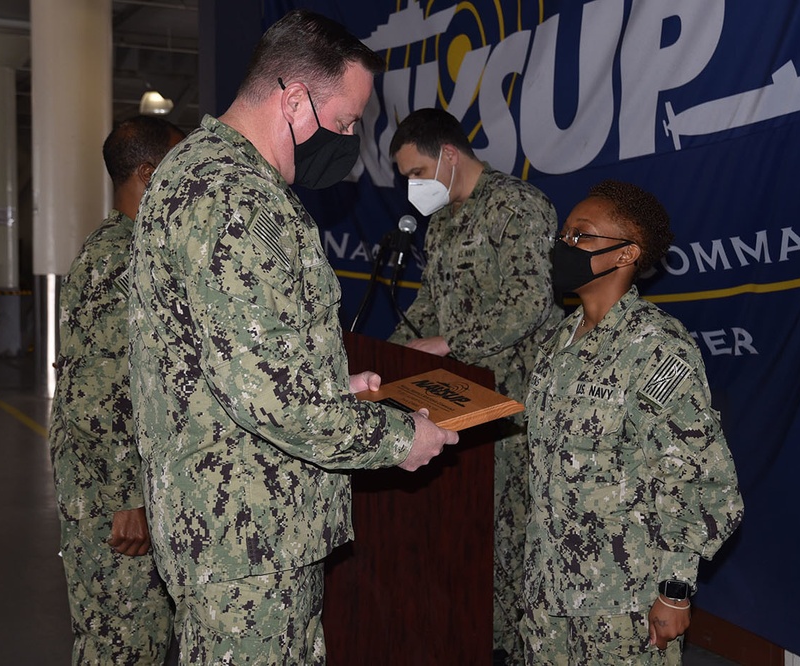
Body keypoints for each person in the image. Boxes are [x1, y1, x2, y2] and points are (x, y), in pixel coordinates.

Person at [127, 10, 459, 665]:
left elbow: (243, 357)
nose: (350, 140)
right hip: (243, 543)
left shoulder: (217, 178)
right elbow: (268, 396)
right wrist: (399, 439)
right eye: (346, 123)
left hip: (255, 529)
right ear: (295, 99)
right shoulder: (231, 197)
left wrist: (337, 384)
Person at [522, 180, 744, 665]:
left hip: (621, 603)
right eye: (564, 235)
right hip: (549, 592)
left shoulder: (657, 347)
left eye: (581, 236)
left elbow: (703, 482)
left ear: (625, 255)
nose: (564, 246)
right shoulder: (559, 342)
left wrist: (675, 590)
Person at [389, 107, 562, 664]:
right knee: (467, 530)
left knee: (509, 534)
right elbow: (428, 305)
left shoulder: (517, 205)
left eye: (417, 172)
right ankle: (474, 640)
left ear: (449, 155)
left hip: (515, 400)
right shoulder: (441, 223)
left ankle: (510, 648)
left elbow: (531, 302)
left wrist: (449, 343)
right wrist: (391, 351)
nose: (412, 186)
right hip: (457, 399)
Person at [48, 115, 186, 665]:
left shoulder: (128, 247)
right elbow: (100, 391)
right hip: (112, 497)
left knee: (133, 642)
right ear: (150, 175)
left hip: (109, 486)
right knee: (123, 646)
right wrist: (129, 497)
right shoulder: (123, 258)